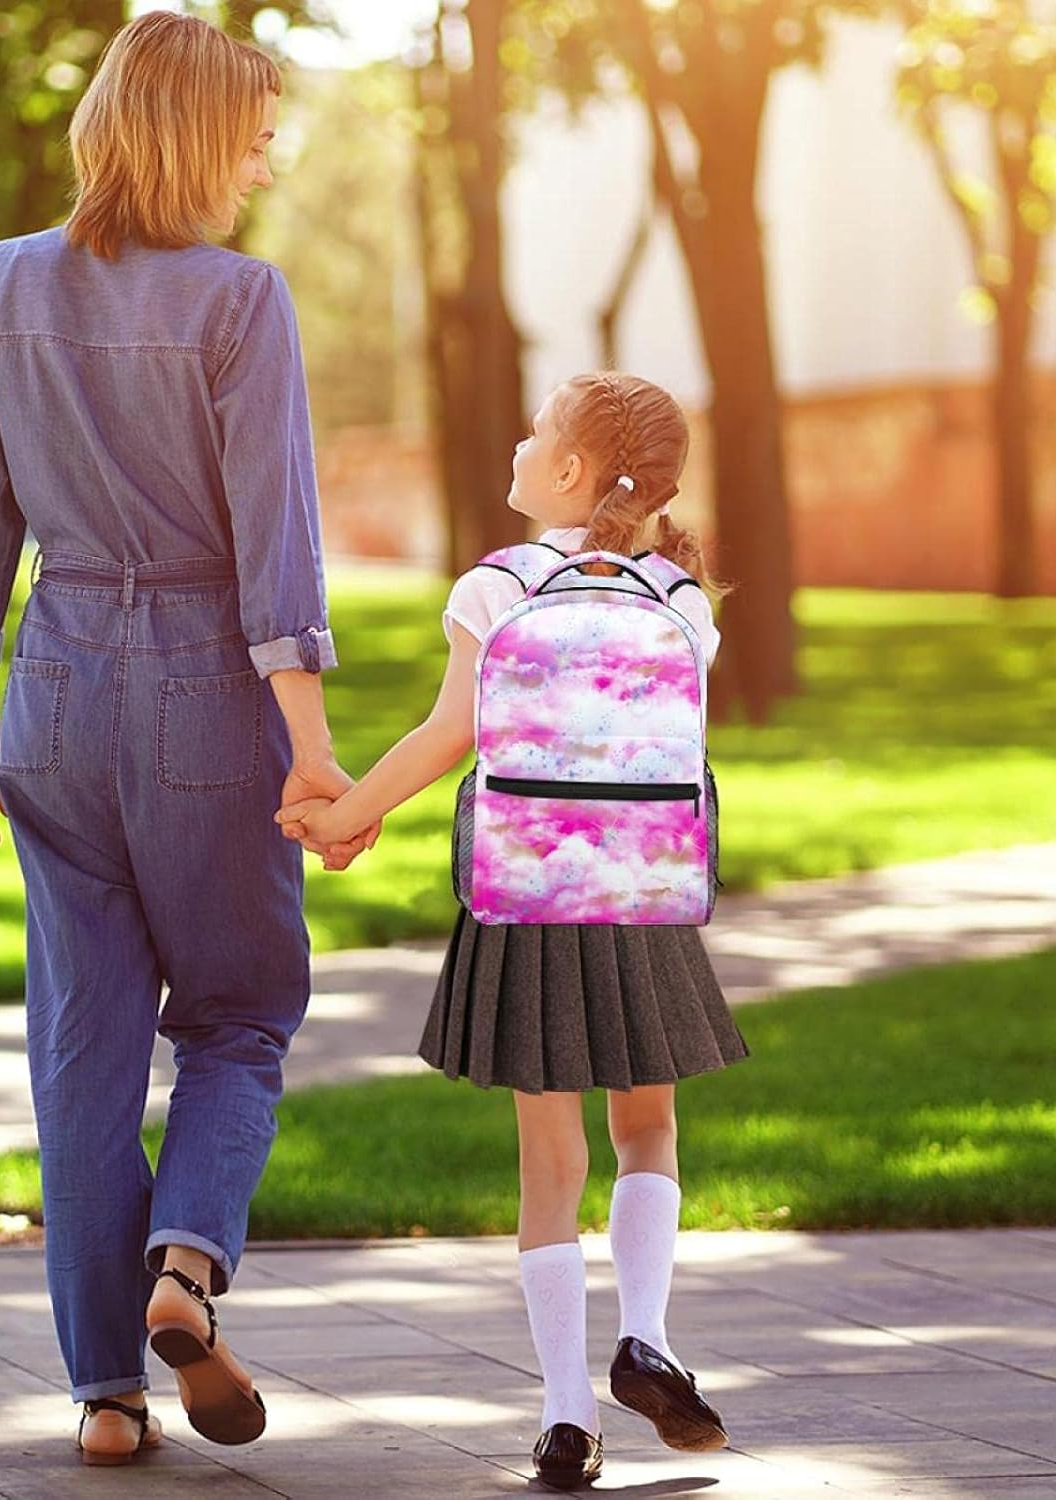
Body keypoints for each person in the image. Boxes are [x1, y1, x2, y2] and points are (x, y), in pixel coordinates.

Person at [0, 12, 376, 1467]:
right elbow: (274, 548)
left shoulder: (0, 284)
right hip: (204, 689)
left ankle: (105, 1394)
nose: (260, 159)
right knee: (241, 1014)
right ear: (189, 135)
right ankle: (187, 1268)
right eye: (248, 133)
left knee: (85, 1044)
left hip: (54, 683)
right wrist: (311, 749)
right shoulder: (242, 301)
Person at [277, 372, 750, 1491]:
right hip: (644, 894)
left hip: (528, 890)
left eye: (537, 432)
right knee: (648, 1132)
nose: (520, 443)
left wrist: (346, 816)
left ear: (574, 472)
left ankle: (566, 1416)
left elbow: (451, 732)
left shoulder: (498, 587)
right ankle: (649, 1335)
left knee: (551, 1163)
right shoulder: (683, 598)